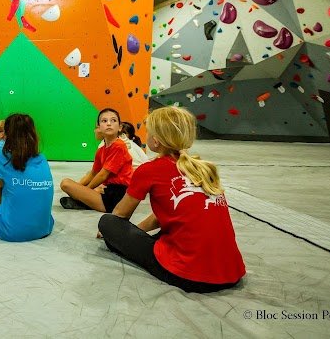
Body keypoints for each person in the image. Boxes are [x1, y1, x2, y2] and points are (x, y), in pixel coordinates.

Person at [98, 106, 246, 293]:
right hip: (230, 272)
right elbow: (177, 212)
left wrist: (122, 234)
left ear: (157, 140)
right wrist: (138, 232)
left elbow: (120, 214)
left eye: (149, 131)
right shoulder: (204, 168)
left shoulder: (149, 170)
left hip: (189, 274)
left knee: (108, 222)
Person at [0, 113, 54, 242]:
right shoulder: (42, 158)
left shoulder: (1, 157)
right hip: (44, 227)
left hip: (10, 231)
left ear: (7, 135)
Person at [59, 108, 132, 212]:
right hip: (107, 191)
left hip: (118, 197)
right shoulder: (101, 150)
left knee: (66, 183)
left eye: (113, 120)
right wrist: (79, 189)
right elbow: (93, 173)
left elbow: (103, 175)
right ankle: (84, 201)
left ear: (120, 127)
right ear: (99, 128)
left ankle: (83, 202)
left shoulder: (119, 146)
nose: (109, 124)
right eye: (104, 121)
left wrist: (85, 191)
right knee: (67, 184)